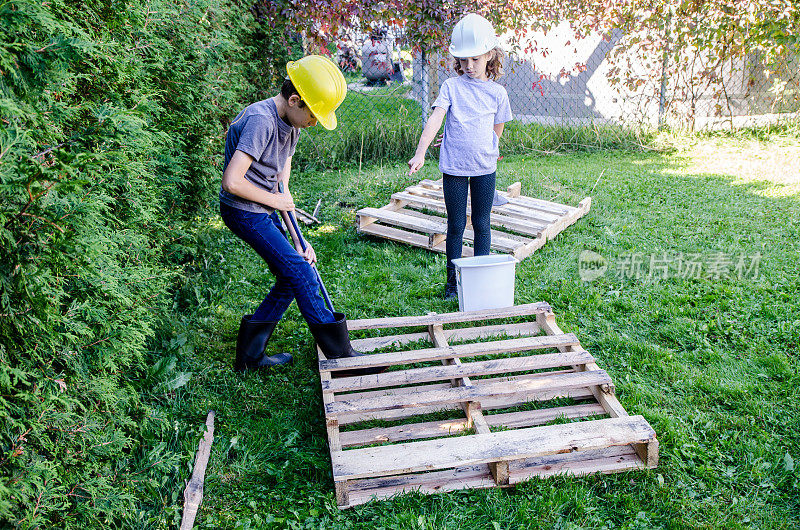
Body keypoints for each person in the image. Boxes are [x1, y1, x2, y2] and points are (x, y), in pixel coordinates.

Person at [219, 55, 380, 376]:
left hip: (264, 206)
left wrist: (299, 239)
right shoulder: (261, 120)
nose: (316, 122)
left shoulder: (290, 121)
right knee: (301, 275)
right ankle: (340, 354)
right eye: (314, 115)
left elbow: (281, 179)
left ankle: (250, 355)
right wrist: (277, 202)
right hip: (243, 211)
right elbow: (233, 182)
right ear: (295, 100)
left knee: (294, 272)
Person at [408, 13, 513, 299]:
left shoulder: (497, 93)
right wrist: (420, 153)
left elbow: (496, 129)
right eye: (463, 60)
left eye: (475, 59)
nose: (468, 66)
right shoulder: (450, 87)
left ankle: (480, 280)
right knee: (455, 225)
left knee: (481, 223)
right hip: (453, 167)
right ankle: (452, 283)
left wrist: (479, 145)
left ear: (490, 55)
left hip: (484, 169)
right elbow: (436, 118)